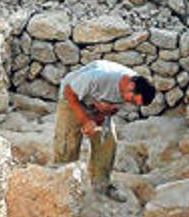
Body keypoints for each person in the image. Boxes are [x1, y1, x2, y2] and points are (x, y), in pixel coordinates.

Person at [53, 60, 156, 202]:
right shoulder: (98, 77)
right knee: (67, 143)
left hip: (98, 104)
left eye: (134, 103)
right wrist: (85, 121)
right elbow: (69, 92)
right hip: (72, 98)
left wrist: (99, 117)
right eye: (132, 100)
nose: (131, 103)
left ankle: (101, 185)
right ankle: (61, 186)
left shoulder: (136, 87)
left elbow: (112, 110)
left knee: (107, 142)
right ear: (130, 86)